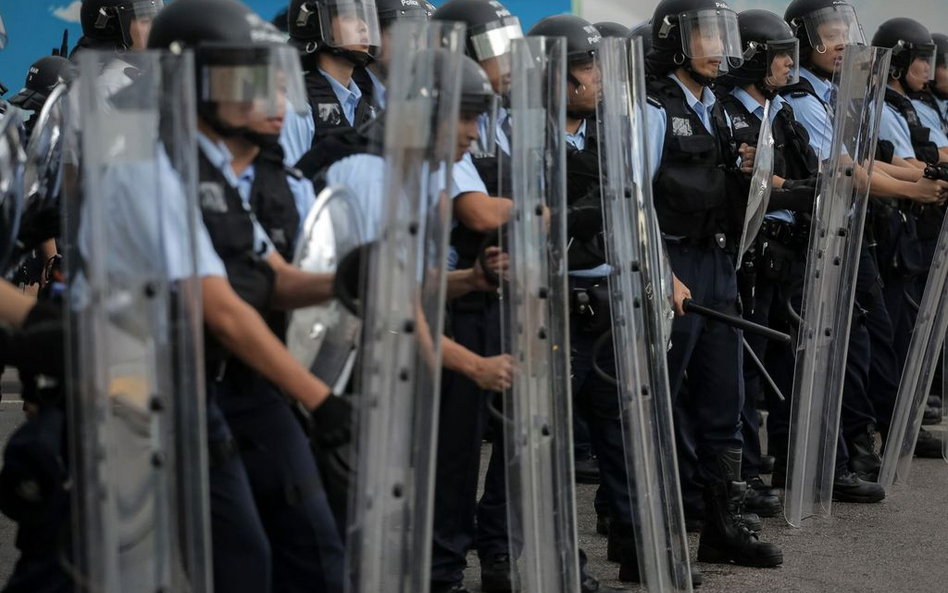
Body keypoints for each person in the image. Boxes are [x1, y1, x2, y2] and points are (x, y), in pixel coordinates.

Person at [148, 1, 354, 591]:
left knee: (314, 548)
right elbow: (219, 308)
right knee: (239, 559)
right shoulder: (154, 168)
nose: (268, 98)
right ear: (192, 80)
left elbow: (272, 276)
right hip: (169, 392)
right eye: (245, 77)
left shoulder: (231, 173)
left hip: (242, 383)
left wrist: (350, 281)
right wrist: (319, 398)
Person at [781, 0, 947, 478]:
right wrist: (914, 187)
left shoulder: (836, 94)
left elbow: (868, 156)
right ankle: (849, 449)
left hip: (853, 232)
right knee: (844, 343)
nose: (839, 42)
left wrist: (924, 176)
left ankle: (860, 439)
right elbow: (846, 170)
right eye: (826, 32)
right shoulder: (802, 99)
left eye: (843, 30)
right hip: (820, 238)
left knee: (870, 337)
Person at [645, 0, 783, 568]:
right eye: (704, 36)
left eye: (721, 37)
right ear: (674, 38)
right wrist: (661, 271)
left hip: (718, 262)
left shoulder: (719, 110)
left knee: (722, 396)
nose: (717, 48)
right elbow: (634, 198)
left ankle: (723, 523)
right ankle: (662, 525)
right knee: (667, 397)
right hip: (674, 263)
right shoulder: (653, 108)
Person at [429, 1, 522, 590]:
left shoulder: (504, 119)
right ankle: (441, 570)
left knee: (518, 434)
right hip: (450, 297)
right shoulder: (440, 123)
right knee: (454, 452)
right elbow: (476, 210)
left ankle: (499, 553)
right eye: (494, 49)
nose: (508, 61)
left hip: (497, 293)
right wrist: (558, 209)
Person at [716, 7, 803, 521]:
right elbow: (756, 187)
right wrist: (795, 192)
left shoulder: (781, 112)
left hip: (783, 256)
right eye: (780, 56)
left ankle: (779, 460)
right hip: (747, 253)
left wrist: (803, 190)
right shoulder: (729, 113)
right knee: (741, 370)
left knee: (779, 361)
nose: (789, 66)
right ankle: (743, 469)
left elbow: (799, 171)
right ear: (753, 58)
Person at [281, 0, 382, 165]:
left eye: (365, 18)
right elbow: (288, 184)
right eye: (349, 17)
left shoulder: (369, 108)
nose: (364, 26)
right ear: (315, 26)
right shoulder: (297, 107)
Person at [70, 0, 163, 96]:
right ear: (112, 29)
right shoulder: (113, 85)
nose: (154, 27)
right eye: (145, 21)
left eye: (155, 19)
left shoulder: (147, 74)